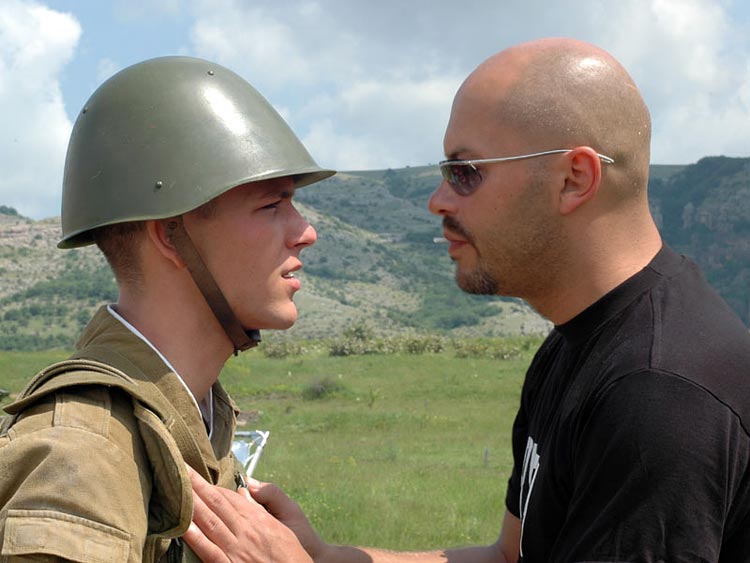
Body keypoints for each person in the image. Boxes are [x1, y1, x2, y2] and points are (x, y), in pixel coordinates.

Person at [183, 37, 750, 562]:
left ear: (574, 178)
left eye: (465, 172)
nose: (437, 200)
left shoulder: (658, 394)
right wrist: (329, 559)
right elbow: (510, 557)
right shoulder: (579, 344)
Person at [0, 56, 333, 561]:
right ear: (170, 236)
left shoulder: (189, 418)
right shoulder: (82, 452)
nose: (305, 232)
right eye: (271, 205)